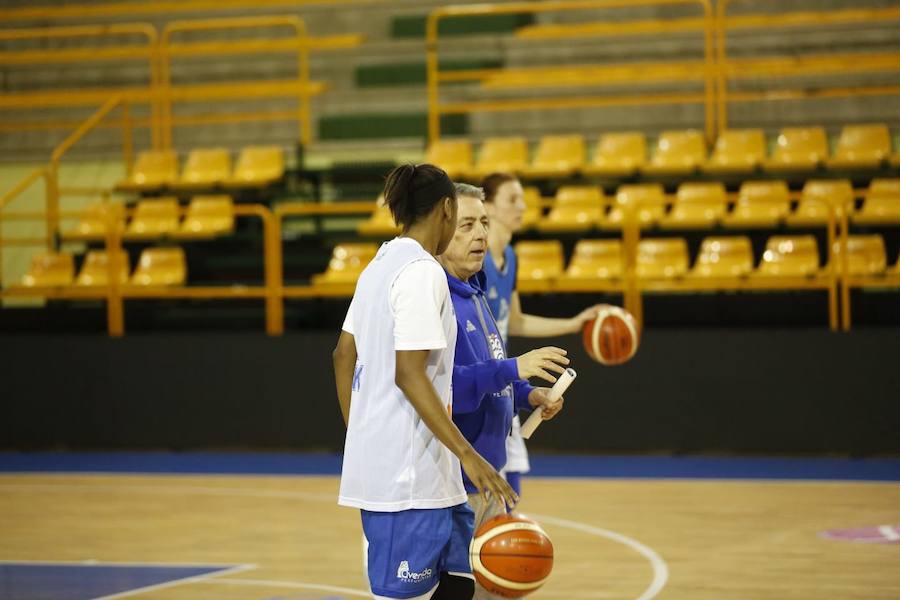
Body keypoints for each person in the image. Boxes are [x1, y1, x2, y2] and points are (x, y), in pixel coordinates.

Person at [333, 164, 517, 600]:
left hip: (432, 477)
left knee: (458, 586)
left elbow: (342, 355)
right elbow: (409, 373)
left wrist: (362, 436)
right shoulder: (421, 272)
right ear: (447, 209)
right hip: (408, 483)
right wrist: (468, 454)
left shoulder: (378, 265)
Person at [437, 182, 568, 599]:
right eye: (467, 225)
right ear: (440, 231)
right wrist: (512, 368)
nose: (480, 234)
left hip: (488, 478)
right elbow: (442, 391)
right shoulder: (437, 300)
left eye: (483, 223)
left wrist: (527, 393)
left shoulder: (475, 292)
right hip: (456, 486)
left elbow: (491, 364)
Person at [481, 172, 609, 496]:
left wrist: (573, 324)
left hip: (504, 382)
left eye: (522, 199)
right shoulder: (476, 261)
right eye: (512, 199)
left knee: (511, 485)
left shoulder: (510, 257)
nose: (522, 206)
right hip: (484, 382)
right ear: (488, 206)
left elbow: (515, 321)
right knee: (492, 492)